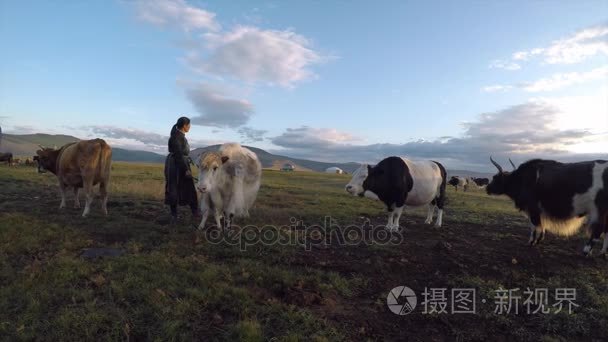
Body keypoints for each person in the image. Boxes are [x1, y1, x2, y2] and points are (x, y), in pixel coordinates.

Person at [164, 117, 200, 224]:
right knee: (174, 187)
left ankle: (194, 212)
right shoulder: (176, 137)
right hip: (176, 164)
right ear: (185, 125)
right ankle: (176, 215)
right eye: (189, 125)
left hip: (178, 162)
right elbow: (179, 154)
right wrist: (185, 170)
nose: (190, 127)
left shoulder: (179, 136)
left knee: (184, 187)